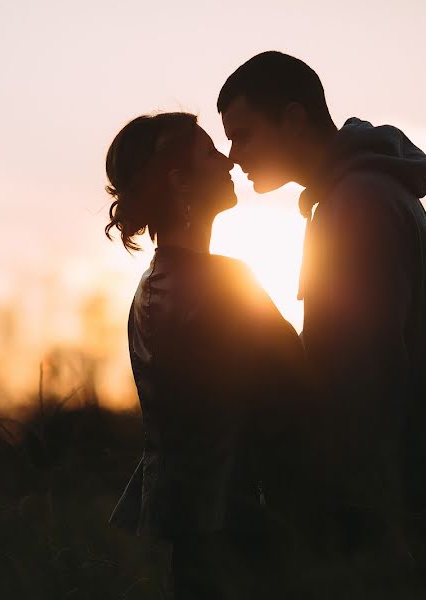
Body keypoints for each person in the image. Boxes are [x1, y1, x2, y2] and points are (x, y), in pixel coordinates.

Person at [218, 51, 426, 594]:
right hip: (402, 471)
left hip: (386, 484)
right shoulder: (358, 195)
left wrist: (347, 500)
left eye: (243, 135)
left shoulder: (359, 203)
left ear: (293, 117)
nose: (233, 156)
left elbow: (366, 368)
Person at [104, 112, 307, 599]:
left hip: (193, 534)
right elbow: (301, 394)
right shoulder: (224, 285)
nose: (230, 161)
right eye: (210, 153)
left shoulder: (145, 292)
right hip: (248, 536)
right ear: (181, 183)